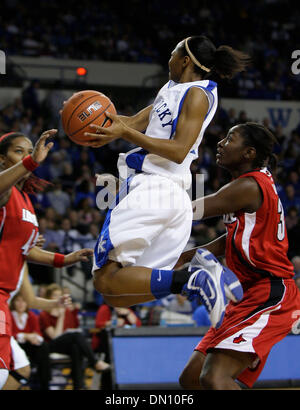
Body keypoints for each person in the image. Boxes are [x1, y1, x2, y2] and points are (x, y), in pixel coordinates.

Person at [82, 36, 249, 323]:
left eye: (172, 53)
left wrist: (123, 134)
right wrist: (94, 124)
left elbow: (178, 150)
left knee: (104, 279)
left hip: (155, 187)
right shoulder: (172, 88)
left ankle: (191, 279)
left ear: (184, 60)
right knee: (116, 292)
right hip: (167, 197)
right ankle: (191, 277)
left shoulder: (197, 94)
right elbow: (131, 122)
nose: (167, 59)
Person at [176, 122, 300, 390]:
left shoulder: (249, 186)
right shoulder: (251, 184)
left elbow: (189, 210)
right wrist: (188, 256)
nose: (220, 143)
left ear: (249, 153)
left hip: (270, 292)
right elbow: (232, 238)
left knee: (214, 378)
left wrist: (143, 203)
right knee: (191, 379)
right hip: (246, 294)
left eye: (230, 138)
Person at [0, 130, 93, 390]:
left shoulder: (26, 201)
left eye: (29, 150)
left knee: (20, 370)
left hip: (4, 295)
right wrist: (33, 161)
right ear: (2, 159)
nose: (27, 155)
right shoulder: (4, 192)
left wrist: (66, 259)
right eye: (19, 151)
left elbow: (27, 250)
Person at [39, 284, 110, 390]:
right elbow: (55, 336)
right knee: (76, 336)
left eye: (60, 296)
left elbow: (72, 330)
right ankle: (94, 362)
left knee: (76, 348)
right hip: (50, 346)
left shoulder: (67, 312)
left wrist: (67, 313)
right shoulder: (44, 314)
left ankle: (78, 386)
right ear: (49, 298)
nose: (58, 298)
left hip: (66, 345)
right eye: (55, 295)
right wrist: (61, 316)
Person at [10, 293, 51, 390]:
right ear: (13, 303)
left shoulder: (31, 316)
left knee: (43, 346)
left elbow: (38, 333)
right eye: (18, 301)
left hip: (29, 347)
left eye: (23, 301)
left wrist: (35, 338)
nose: (21, 304)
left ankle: (44, 384)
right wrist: (25, 335)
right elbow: (9, 334)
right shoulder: (9, 315)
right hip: (14, 347)